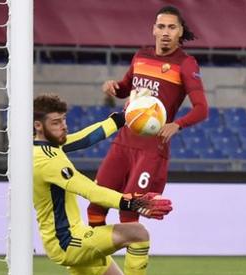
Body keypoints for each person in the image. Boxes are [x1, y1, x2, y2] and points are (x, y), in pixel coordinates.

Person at [31, 93, 175, 275]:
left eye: (64, 120)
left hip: (61, 239)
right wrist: (131, 202)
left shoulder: (43, 145)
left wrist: (122, 118)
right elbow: (90, 190)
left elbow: (86, 138)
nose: (63, 126)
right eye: (56, 122)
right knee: (138, 233)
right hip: (68, 241)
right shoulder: (46, 159)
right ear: (39, 125)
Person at [87, 5, 208, 225]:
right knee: (96, 205)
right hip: (123, 142)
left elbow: (202, 109)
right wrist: (113, 87)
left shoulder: (186, 64)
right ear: (153, 29)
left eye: (171, 27)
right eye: (161, 26)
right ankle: (100, 261)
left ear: (180, 31)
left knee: (130, 210)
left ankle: (136, 260)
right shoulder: (141, 56)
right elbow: (125, 88)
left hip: (151, 148)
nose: (165, 32)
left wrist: (177, 125)